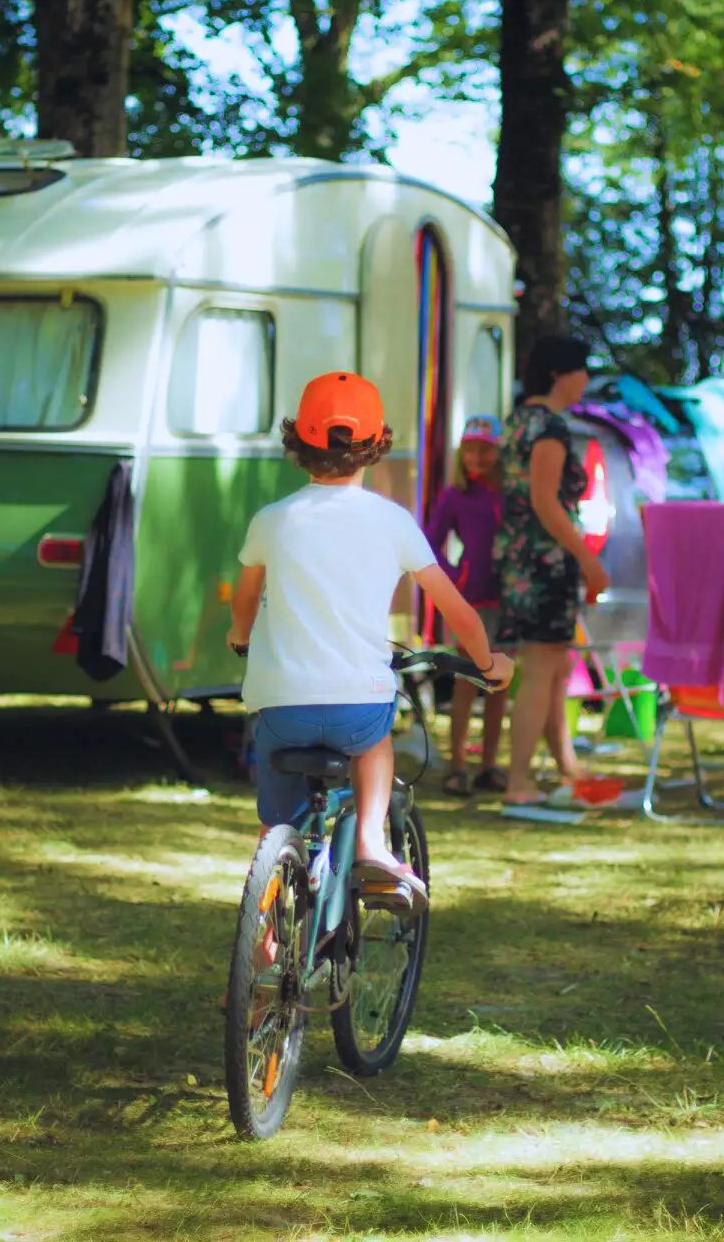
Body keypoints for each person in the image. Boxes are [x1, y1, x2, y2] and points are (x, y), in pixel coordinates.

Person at [228, 371, 515, 909]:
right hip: (356, 708)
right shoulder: (393, 521)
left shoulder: (271, 520)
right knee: (375, 740)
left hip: (278, 707)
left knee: (274, 826)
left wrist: (240, 637)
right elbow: (458, 611)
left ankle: (261, 951)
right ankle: (370, 842)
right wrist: (488, 661)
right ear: (376, 445)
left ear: (298, 440)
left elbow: (244, 601)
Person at [495, 335, 611, 808]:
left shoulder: (518, 420)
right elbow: (546, 501)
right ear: (559, 374)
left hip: (518, 559)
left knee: (557, 666)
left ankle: (565, 764)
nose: (586, 379)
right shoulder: (550, 428)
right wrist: (587, 559)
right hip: (545, 562)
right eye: (582, 369)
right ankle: (518, 782)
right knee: (542, 670)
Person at [423, 415, 512, 796]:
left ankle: (489, 764)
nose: (478, 457)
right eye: (471, 449)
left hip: (509, 597)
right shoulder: (455, 495)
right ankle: (457, 765)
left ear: (498, 451)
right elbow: (430, 541)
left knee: (500, 683)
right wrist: (454, 577)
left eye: (486, 449)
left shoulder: (510, 492)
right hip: (471, 600)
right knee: (466, 681)